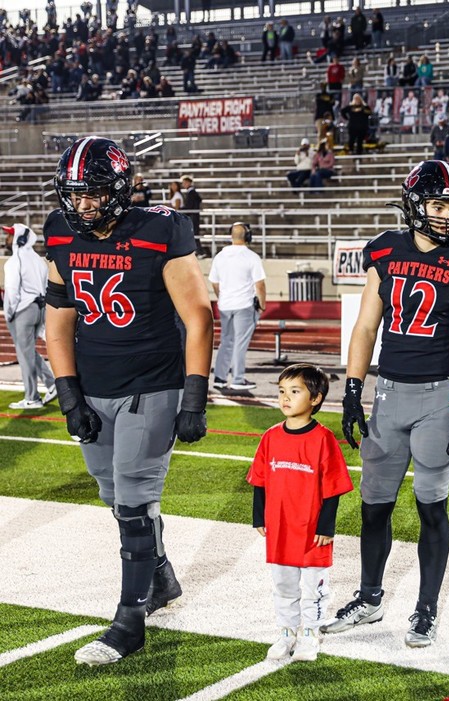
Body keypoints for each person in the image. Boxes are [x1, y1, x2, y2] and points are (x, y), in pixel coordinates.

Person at [45, 137, 213, 666]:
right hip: (95, 386)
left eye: (92, 193)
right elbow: (59, 320)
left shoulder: (159, 227)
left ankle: (130, 619)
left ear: (119, 189)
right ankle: (160, 578)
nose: (83, 205)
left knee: (134, 499)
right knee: (111, 493)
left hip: (152, 382)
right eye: (75, 194)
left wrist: (194, 395)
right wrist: (69, 391)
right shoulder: (60, 231)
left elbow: (198, 315)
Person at [320, 161, 449, 648]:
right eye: (439, 205)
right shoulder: (385, 249)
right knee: (374, 506)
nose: (448, 216)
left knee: (431, 507)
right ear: (416, 205)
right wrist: (353, 389)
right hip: (389, 394)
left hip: (441, 397)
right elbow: (365, 325)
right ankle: (370, 597)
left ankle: (426, 610)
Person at [248, 364, 353, 662]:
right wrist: (259, 517)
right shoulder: (270, 437)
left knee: (312, 587)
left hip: (311, 530)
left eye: (295, 392)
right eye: (282, 391)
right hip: (280, 528)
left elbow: (333, 488)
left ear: (316, 399)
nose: (285, 398)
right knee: (282, 584)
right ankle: (286, 630)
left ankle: (310, 633)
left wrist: (327, 526)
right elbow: (260, 480)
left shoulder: (323, 439)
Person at [3, 224, 55, 409]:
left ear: (20, 238)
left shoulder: (14, 261)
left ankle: (32, 397)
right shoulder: (38, 259)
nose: (7, 239)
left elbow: (11, 291)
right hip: (39, 308)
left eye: (10, 236)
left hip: (22, 310)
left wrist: (8, 313)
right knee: (28, 351)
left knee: (23, 354)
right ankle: (51, 383)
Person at [209, 222, 266, 392]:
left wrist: (222, 297)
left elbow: (214, 282)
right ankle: (238, 378)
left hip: (225, 305)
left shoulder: (220, 256)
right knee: (240, 343)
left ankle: (219, 378)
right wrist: (262, 305)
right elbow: (260, 285)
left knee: (226, 341)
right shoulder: (251, 257)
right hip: (244, 305)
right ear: (248, 237)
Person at [180, 175, 202, 256]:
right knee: (193, 233)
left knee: (194, 233)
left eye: (185, 183)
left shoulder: (192, 193)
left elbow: (189, 206)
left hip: (193, 216)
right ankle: (198, 251)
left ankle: (200, 251)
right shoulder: (192, 192)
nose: (183, 185)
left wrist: (181, 209)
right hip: (193, 216)